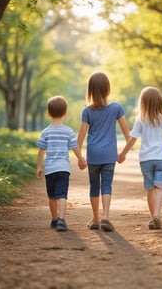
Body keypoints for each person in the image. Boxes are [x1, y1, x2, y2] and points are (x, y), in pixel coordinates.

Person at [118, 86, 162, 230]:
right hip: (160, 159)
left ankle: (153, 217)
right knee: (159, 188)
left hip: (146, 159)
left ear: (143, 102)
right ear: (160, 101)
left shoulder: (140, 119)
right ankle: (157, 215)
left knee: (150, 189)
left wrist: (123, 154)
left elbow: (132, 138)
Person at [78, 71, 129, 232]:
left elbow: (81, 135)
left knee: (94, 186)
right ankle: (105, 217)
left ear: (90, 90)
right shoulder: (116, 108)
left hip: (93, 155)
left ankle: (95, 219)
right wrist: (124, 152)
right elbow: (127, 132)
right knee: (107, 184)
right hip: (109, 155)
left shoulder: (87, 111)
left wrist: (79, 156)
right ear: (108, 88)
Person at [37, 95, 87, 232]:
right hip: (64, 168)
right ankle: (61, 219)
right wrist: (81, 159)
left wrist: (39, 167)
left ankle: (54, 219)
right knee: (62, 194)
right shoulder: (68, 131)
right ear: (65, 113)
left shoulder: (45, 132)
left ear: (48, 113)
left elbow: (41, 150)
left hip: (50, 169)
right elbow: (75, 147)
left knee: (52, 195)